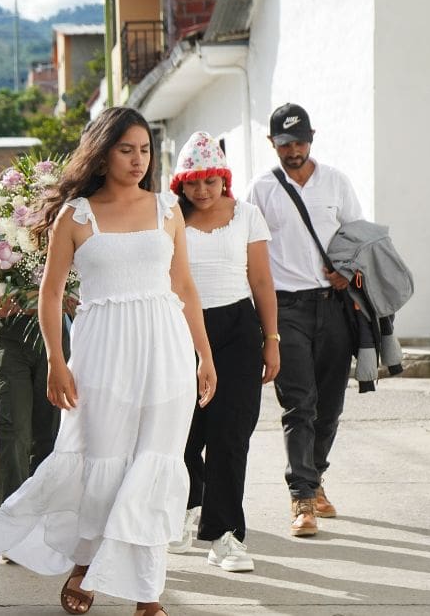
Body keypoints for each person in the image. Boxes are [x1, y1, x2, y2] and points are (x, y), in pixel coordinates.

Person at [0, 107, 216, 616]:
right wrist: (57, 363)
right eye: (126, 149)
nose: (137, 160)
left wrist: (204, 355)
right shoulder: (76, 214)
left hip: (166, 346)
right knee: (104, 461)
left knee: (156, 462)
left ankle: (147, 593)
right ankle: (86, 562)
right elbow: (49, 295)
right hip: (103, 348)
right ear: (103, 152)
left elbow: (185, 287)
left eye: (145, 150)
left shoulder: (167, 210)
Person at [247, 103, 362, 537]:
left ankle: (315, 480)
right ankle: (301, 497)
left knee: (330, 405)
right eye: (284, 144)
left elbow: (359, 237)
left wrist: (346, 271)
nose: (293, 151)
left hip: (332, 306)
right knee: (299, 404)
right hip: (285, 308)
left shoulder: (336, 182)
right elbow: (251, 252)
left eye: (299, 142)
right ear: (272, 144)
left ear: (311, 138)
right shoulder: (262, 190)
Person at [166, 132, 279, 572]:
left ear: (224, 179)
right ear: (181, 183)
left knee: (231, 435)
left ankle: (224, 535)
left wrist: (271, 339)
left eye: (212, 181)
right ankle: (188, 505)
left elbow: (263, 282)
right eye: (194, 182)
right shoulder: (170, 216)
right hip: (181, 328)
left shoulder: (247, 215)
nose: (203, 190)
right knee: (184, 433)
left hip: (237, 330)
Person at [0, 291, 70, 507]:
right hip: (11, 335)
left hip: (58, 334)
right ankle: (9, 519)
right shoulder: (2, 254)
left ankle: (40, 519)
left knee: (50, 436)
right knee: (12, 433)